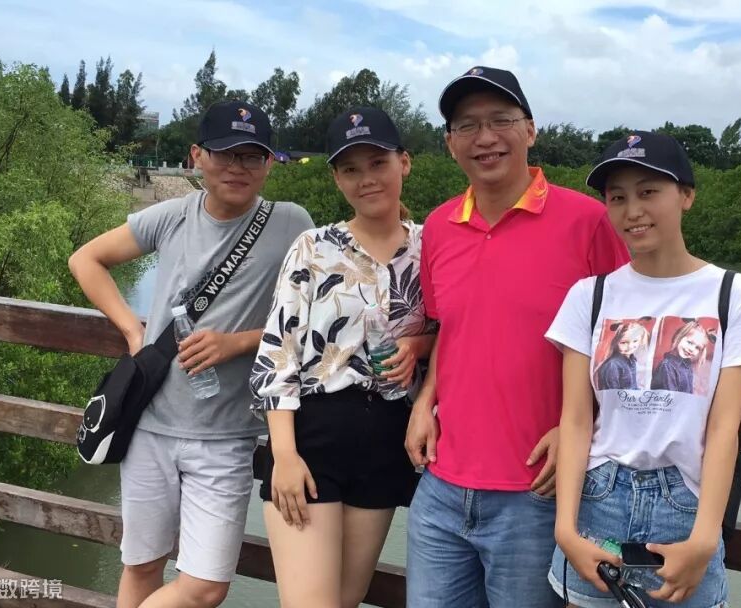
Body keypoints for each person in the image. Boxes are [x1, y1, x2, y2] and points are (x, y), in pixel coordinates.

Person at [68, 101, 314, 608]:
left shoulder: (292, 223)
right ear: (197, 156)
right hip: (150, 425)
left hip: (227, 435)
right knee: (142, 565)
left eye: (252, 156)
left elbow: (310, 316)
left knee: (204, 589)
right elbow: (86, 259)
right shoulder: (172, 215)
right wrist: (132, 331)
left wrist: (237, 342)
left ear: (269, 164)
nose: (238, 168)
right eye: (225, 154)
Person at [404, 66, 629, 607]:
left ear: (530, 129)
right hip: (440, 486)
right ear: (449, 143)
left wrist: (581, 426)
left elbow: (627, 343)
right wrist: (425, 400)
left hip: (537, 493)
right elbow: (451, 329)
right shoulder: (438, 227)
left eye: (500, 120)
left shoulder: (589, 221)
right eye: (467, 125)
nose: (485, 137)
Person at [546, 131, 741, 607]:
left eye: (648, 192)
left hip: (686, 509)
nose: (632, 211)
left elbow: (723, 429)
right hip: (599, 502)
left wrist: (705, 539)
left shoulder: (736, 296)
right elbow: (575, 421)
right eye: (617, 198)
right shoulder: (589, 296)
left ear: (686, 195)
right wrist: (565, 530)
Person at [250, 107, 436, 608]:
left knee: (346, 599)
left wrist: (420, 345)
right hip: (314, 436)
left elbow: (458, 331)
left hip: (389, 438)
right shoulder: (314, 248)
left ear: (404, 162)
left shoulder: (432, 247)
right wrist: (284, 454)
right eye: (351, 169)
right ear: (335, 177)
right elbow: (278, 352)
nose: (366, 178)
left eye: (378, 163)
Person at [653, 320, 714, 395]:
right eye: (690, 342)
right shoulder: (667, 366)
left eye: (697, 347)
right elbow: (671, 397)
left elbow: (689, 392)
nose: (692, 349)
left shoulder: (687, 365)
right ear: (679, 336)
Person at [594, 321, 650, 391]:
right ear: (616, 342)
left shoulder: (632, 361)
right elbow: (612, 393)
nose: (630, 346)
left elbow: (633, 387)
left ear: (641, 340)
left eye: (635, 341)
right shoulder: (612, 365)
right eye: (623, 342)